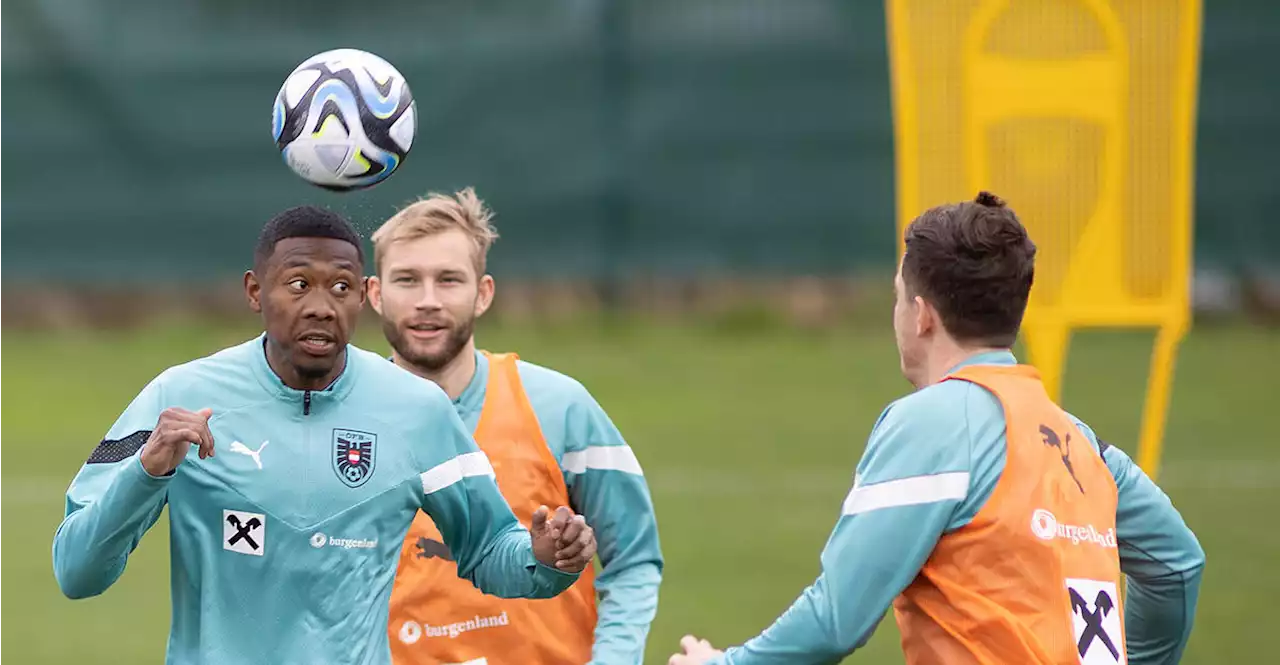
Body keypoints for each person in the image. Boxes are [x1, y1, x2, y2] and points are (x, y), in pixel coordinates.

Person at [669, 192, 1206, 665]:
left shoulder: (931, 423)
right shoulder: (1081, 442)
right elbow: (1177, 566)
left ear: (922, 315)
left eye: (898, 296)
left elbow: (838, 619)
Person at [51, 205, 597, 665]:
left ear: (362, 296)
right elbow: (76, 571)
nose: (320, 305)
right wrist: (146, 472)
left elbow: (490, 552)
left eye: (340, 287)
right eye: (297, 284)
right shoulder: (179, 396)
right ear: (254, 291)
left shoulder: (417, 410)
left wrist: (546, 559)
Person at [366, 188, 663, 665]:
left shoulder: (560, 407)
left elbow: (634, 561)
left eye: (448, 280)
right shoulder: (345, 423)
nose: (427, 301)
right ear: (375, 294)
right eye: (406, 280)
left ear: (482, 293)